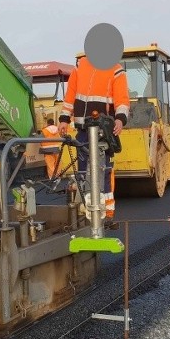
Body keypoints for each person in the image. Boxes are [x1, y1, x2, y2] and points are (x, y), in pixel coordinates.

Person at [58, 55, 130, 220]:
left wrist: (120, 119)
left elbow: (122, 100)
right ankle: (86, 208)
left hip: (103, 131)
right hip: (83, 130)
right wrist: (64, 119)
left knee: (103, 171)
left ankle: (106, 210)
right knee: (83, 171)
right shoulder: (80, 67)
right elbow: (70, 96)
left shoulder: (116, 70)